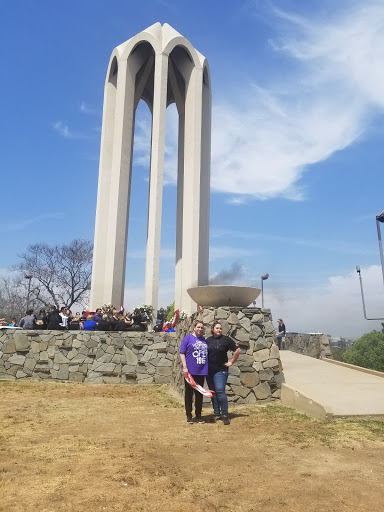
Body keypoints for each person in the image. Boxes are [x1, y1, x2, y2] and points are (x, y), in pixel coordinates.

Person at [206, 322, 241, 425]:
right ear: (212, 329)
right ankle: (216, 413)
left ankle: (225, 415)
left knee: (220, 391)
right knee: (213, 392)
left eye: (220, 328)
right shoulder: (208, 340)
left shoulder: (226, 340)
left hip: (221, 370)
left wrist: (232, 362)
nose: (219, 330)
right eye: (217, 328)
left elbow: (237, 349)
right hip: (209, 371)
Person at [179, 320, 208, 424]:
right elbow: (182, 353)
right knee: (189, 394)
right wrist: (185, 367)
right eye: (198, 327)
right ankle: (189, 416)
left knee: (199, 394)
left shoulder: (203, 340)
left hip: (201, 371)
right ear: (194, 328)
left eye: (201, 328)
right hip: (190, 371)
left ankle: (199, 416)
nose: (200, 329)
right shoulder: (188, 338)